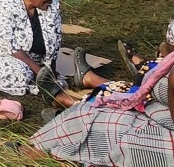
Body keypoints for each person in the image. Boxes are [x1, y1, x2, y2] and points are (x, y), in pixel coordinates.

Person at [27, 42, 174, 163]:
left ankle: (68, 100)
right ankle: (79, 90)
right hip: (162, 112)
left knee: (114, 125)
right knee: (91, 111)